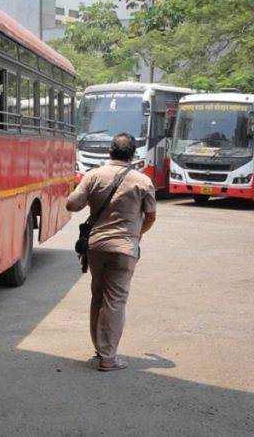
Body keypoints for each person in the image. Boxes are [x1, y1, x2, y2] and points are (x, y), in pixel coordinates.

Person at [66, 132, 156, 372]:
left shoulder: (93, 176)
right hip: (124, 249)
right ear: (133, 154)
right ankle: (108, 357)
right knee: (115, 300)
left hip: (96, 247)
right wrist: (136, 235)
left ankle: (99, 347)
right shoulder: (142, 181)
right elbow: (151, 216)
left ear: (110, 152)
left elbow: (72, 204)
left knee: (98, 295)